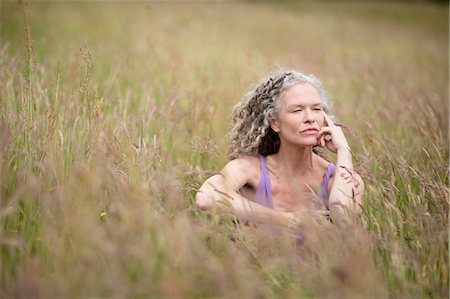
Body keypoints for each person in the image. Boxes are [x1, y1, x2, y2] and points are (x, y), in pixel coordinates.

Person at [195, 69, 364, 230]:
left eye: (316, 109)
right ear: (274, 122)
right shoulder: (248, 169)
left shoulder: (339, 178)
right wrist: (290, 219)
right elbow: (206, 197)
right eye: (297, 110)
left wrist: (344, 150)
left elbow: (344, 218)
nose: (310, 118)